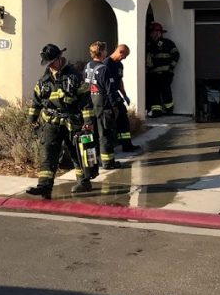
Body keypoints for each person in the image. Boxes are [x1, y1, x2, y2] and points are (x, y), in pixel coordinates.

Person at [25, 43, 95, 199]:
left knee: (76, 153)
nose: (50, 67)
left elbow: (85, 101)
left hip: (72, 121)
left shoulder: (75, 76)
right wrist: (32, 120)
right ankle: (44, 187)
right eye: (48, 64)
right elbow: (36, 102)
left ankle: (84, 181)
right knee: (48, 154)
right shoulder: (44, 80)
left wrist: (88, 121)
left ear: (59, 58)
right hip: (51, 123)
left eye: (52, 63)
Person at [83, 41, 123, 171]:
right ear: (102, 53)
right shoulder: (104, 69)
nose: (106, 53)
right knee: (104, 134)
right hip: (103, 106)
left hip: (90, 104)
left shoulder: (87, 67)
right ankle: (108, 162)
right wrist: (115, 106)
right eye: (105, 51)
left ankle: (93, 162)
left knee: (91, 136)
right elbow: (110, 90)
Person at [105, 43, 139, 153]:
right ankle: (108, 147)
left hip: (116, 95)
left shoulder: (119, 65)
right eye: (124, 56)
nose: (124, 59)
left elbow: (119, 81)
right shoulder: (106, 64)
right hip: (108, 96)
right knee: (109, 122)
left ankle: (126, 145)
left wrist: (124, 95)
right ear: (120, 52)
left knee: (123, 119)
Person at [145, 22, 179, 117]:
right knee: (154, 93)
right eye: (151, 32)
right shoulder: (149, 45)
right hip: (153, 74)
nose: (152, 34)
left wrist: (171, 68)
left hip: (165, 74)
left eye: (154, 32)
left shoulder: (168, 43)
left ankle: (169, 110)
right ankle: (156, 112)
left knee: (166, 92)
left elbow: (176, 55)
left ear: (159, 33)